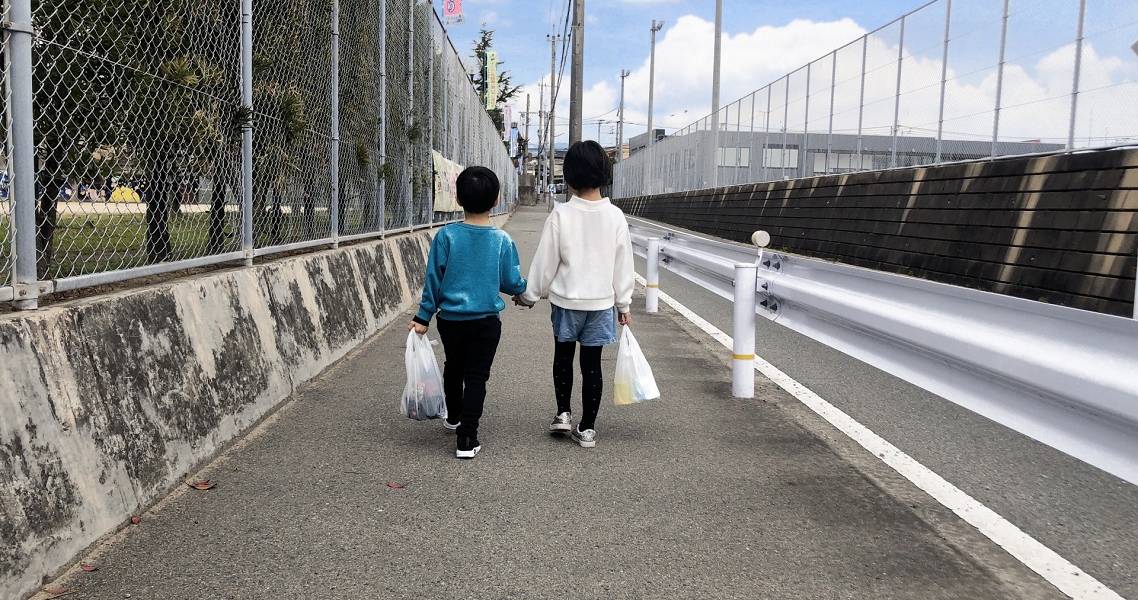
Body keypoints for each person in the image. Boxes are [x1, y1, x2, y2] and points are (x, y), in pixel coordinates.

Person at [517, 140, 634, 449]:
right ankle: (588, 428)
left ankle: (563, 413)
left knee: (564, 358)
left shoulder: (561, 215)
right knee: (592, 365)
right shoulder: (616, 217)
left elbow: (546, 261)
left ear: (568, 177)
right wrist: (624, 302)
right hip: (601, 305)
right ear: (605, 174)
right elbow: (624, 265)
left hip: (566, 302)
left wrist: (530, 295)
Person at [408, 166, 527, 459]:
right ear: (497, 199)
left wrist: (423, 317)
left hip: (450, 320)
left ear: (458, 199)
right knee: (476, 377)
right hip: (486, 321)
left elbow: (433, 280)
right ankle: (467, 438)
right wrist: (526, 293)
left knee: (454, 366)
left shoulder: (446, 237)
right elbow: (511, 281)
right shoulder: (501, 241)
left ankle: (454, 417)